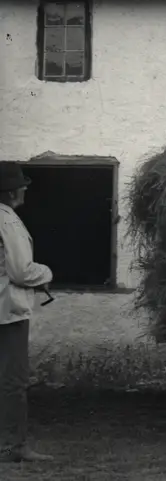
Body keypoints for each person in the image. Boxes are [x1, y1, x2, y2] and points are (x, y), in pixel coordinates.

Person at [0, 162, 54, 463]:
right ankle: (13, 446)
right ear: (11, 192)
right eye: (22, 186)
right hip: (7, 310)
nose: (24, 190)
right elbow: (21, 271)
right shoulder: (7, 220)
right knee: (12, 380)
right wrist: (46, 273)